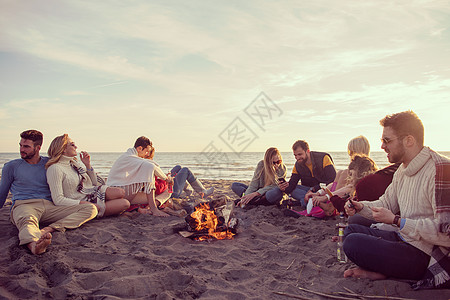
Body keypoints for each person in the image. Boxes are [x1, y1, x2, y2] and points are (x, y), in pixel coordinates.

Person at [343, 111, 450, 290]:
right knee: (350, 230)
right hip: (404, 239)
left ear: (409, 140)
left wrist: (397, 221)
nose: (382, 146)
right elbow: (385, 204)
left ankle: (388, 271)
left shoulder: (440, 170)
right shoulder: (402, 170)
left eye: (387, 140)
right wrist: (360, 206)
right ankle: (384, 270)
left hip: (425, 254)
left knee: (353, 243)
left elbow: (446, 234)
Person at [0, 130, 97, 255]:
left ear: (38, 147)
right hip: (25, 205)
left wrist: (87, 166)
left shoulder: (50, 164)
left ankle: (49, 229)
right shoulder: (11, 166)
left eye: (26, 146)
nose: (22, 149)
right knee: (27, 222)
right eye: (20, 145)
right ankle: (35, 245)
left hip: (51, 206)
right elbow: (2, 193)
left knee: (90, 209)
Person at [46, 134, 129, 217]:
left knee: (120, 192)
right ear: (63, 149)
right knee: (125, 203)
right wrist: (85, 204)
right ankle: (96, 211)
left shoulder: (74, 165)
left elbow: (94, 183)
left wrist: (87, 165)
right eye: (72, 144)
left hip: (91, 195)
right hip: (79, 204)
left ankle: (107, 207)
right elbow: (58, 200)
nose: (76, 147)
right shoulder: (55, 168)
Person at [292, 155, 378, 218]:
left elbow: (350, 188)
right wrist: (321, 193)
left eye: (351, 175)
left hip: (366, 214)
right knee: (294, 189)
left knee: (353, 217)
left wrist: (327, 197)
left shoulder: (363, 188)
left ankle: (329, 207)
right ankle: (323, 204)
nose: (350, 178)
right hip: (351, 207)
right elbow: (334, 184)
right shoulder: (360, 186)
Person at [277, 140, 336, 206]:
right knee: (293, 190)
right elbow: (292, 185)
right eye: (295, 155)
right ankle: (308, 201)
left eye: (300, 154)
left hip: (324, 190)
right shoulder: (297, 165)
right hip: (307, 191)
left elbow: (332, 181)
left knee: (304, 195)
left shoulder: (323, 158)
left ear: (307, 151)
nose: (297, 158)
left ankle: (307, 202)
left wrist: (314, 189)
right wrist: (284, 188)